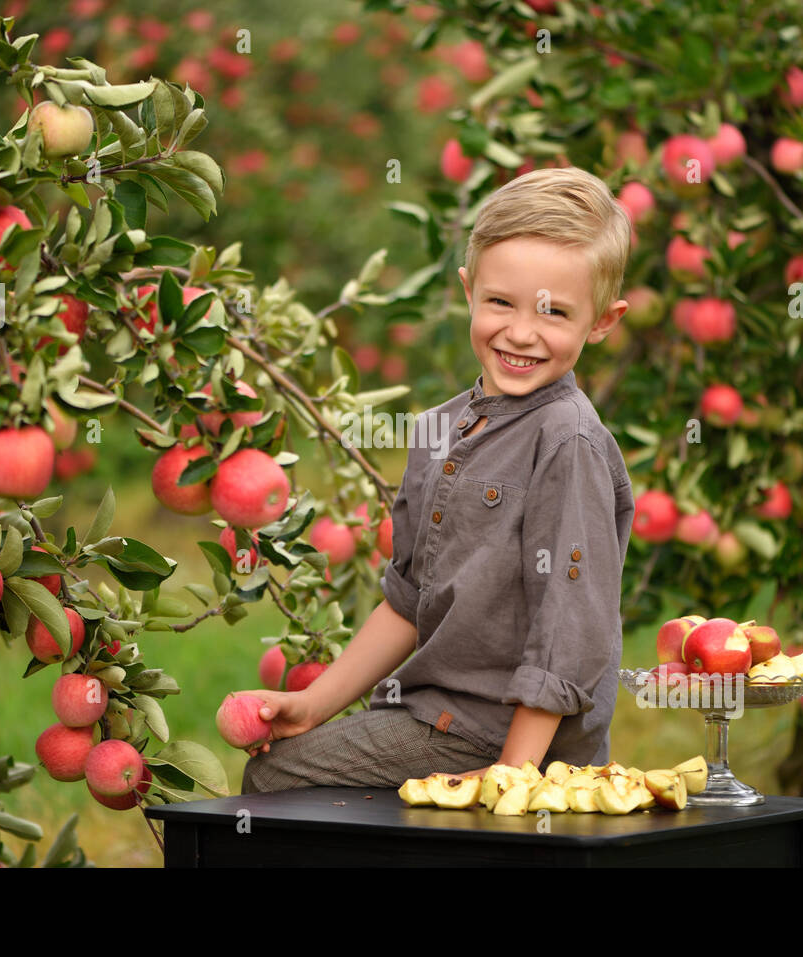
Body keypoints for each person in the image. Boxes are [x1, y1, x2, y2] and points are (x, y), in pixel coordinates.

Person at [240, 166, 636, 793]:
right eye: (499, 301)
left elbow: (570, 627)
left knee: (277, 779)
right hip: (434, 715)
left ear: (603, 321)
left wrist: (513, 774)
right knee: (284, 763)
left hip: (503, 733)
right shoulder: (440, 428)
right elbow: (409, 599)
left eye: (555, 312)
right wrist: (314, 704)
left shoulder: (567, 441)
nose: (521, 332)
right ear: (467, 290)